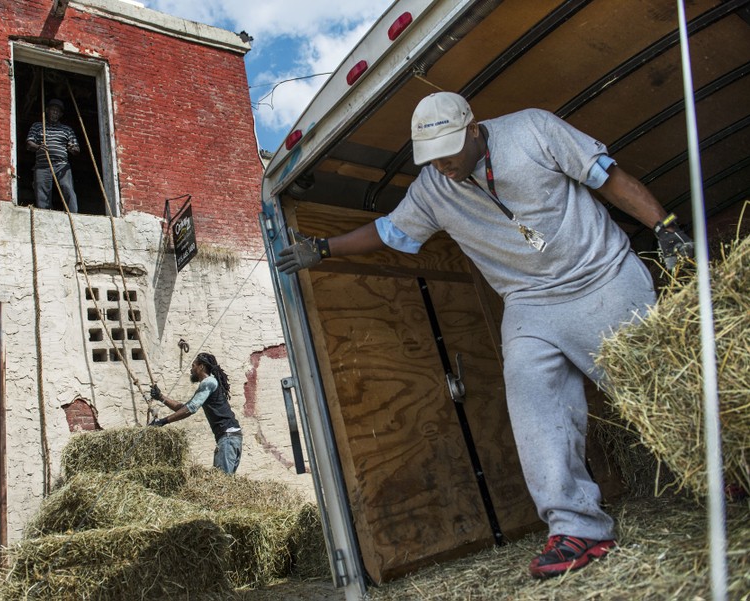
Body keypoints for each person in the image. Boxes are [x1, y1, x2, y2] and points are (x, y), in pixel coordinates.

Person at [276, 92, 694, 578]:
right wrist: (322, 248)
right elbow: (390, 231)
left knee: (659, 390)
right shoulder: (435, 186)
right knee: (532, 401)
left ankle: (725, 467)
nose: (443, 164)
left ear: (473, 128)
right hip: (530, 304)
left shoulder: (533, 129)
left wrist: (664, 226)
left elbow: (608, 177)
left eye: (450, 150)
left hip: (602, 276)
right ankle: (576, 528)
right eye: (431, 157)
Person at [148, 352, 243, 474]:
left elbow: (191, 409)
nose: (191, 369)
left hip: (228, 438)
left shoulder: (209, 382)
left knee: (221, 483)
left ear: (201, 367)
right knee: (224, 482)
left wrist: (163, 421)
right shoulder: (208, 385)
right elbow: (184, 408)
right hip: (230, 437)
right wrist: (161, 397)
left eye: (193, 366)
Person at [26, 98, 80, 212]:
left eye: (57, 111)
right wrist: (38, 147)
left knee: (67, 188)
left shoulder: (67, 130)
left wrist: (72, 148)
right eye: (52, 110)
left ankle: (73, 214)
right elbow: (29, 143)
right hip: (42, 165)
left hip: (62, 165)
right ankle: (45, 214)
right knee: (42, 192)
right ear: (47, 110)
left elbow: (76, 149)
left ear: (60, 114)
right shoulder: (38, 126)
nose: (55, 113)